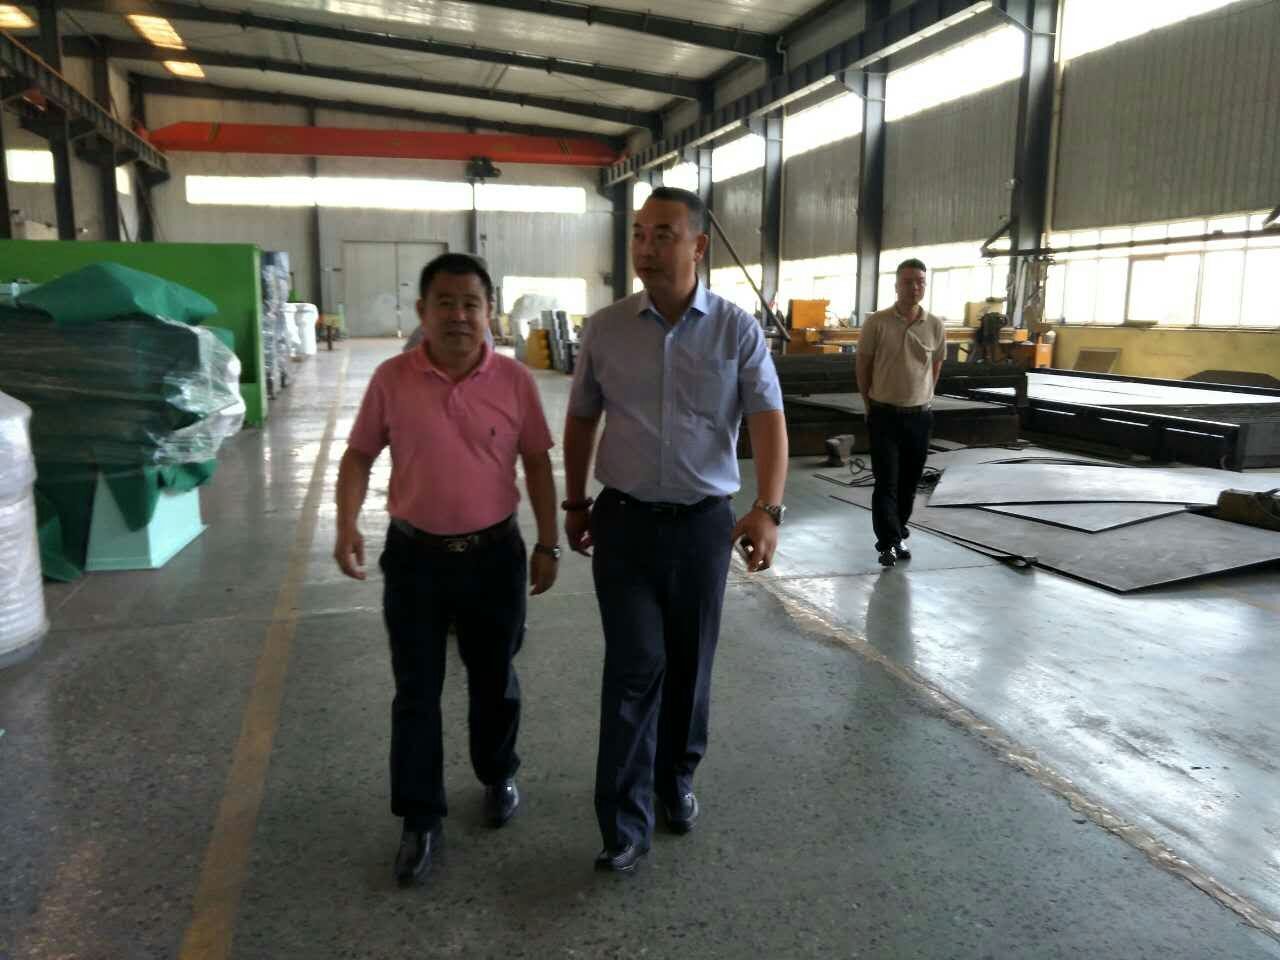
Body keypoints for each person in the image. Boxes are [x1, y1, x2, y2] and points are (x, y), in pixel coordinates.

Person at [563, 186, 789, 874]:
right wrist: (575, 503)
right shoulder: (605, 329)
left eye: (663, 234)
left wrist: (768, 508)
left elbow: (767, 419)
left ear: (698, 246)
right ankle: (622, 824)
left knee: (690, 665)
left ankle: (675, 778)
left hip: (702, 528)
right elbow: (581, 417)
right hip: (624, 523)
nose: (647, 247)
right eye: (639, 233)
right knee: (634, 666)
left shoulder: (736, 330)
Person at [334, 253, 560, 888]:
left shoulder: (515, 381)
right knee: (416, 690)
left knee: (495, 680)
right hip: (415, 561)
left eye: (471, 304)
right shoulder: (391, 379)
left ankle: (497, 773)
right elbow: (358, 456)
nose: (458, 315)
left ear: (490, 312)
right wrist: (346, 523)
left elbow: (537, 463)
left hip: (494, 558)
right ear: (422, 311)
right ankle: (420, 817)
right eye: (445, 303)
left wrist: (548, 543)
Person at [855, 258, 946, 567]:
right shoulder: (877, 323)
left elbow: (935, 366)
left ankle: (898, 534)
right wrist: (869, 404)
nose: (915, 287)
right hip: (884, 415)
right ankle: (888, 543)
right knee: (887, 482)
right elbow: (863, 366)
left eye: (920, 281)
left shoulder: (934, 325)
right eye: (908, 282)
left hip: (919, 416)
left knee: (909, 483)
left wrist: (923, 397)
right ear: (896, 286)